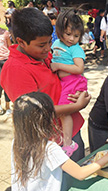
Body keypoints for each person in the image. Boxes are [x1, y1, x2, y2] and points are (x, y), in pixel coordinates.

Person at [0, 8, 90, 162]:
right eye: (42, 45)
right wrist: (77, 106)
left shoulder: (44, 55)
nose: (48, 48)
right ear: (21, 41)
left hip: (71, 131)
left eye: (50, 41)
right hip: (51, 143)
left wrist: (79, 93)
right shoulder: (15, 70)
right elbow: (35, 111)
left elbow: (70, 76)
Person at [50, 9, 87, 157]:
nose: (72, 39)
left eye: (76, 36)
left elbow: (79, 68)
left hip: (73, 82)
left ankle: (68, 143)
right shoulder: (57, 43)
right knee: (63, 112)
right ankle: (67, 142)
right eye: (68, 34)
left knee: (64, 112)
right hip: (64, 82)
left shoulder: (76, 49)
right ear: (60, 31)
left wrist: (58, 66)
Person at [0, 28, 12, 116]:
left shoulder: (5, 33)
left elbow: (9, 46)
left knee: (7, 83)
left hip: (5, 60)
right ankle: (0, 105)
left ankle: (8, 107)